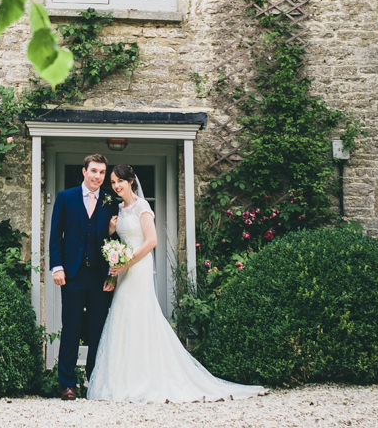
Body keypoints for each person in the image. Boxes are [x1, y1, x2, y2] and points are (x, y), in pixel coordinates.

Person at [86, 163, 268, 403]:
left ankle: (147, 378)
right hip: (123, 269)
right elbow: (117, 243)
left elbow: (151, 241)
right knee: (121, 315)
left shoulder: (142, 206)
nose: (116, 185)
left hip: (137, 268)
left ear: (131, 181)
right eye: (113, 182)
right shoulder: (119, 209)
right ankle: (122, 379)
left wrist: (128, 263)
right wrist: (111, 234)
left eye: (120, 181)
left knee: (139, 315)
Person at [47, 153, 117, 400]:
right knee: (72, 328)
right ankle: (67, 383)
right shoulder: (66, 198)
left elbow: (114, 241)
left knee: (97, 329)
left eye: (101, 172)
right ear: (84, 171)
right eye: (94, 171)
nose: (98, 176)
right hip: (73, 274)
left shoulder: (110, 201)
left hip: (99, 275)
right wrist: (57, 267)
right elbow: (56, 235)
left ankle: (94, 380)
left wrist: (112, 273)